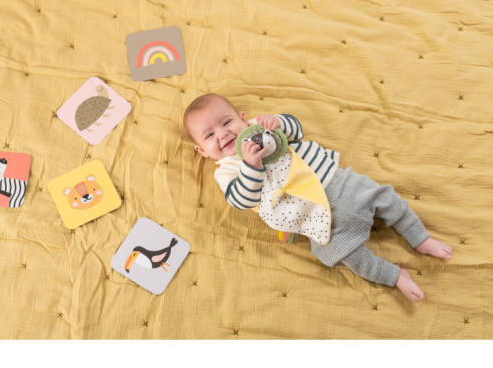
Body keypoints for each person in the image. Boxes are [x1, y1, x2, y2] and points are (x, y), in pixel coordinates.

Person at [183, 93, 453, 303]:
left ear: (242, 118)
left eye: (227, 122)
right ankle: (394, 275)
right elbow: (241, 201)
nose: (223, 134)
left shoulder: (258, 128)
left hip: (336, 183)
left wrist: (279, 122)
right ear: (202, 150)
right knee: (343, 254)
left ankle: (420, 238)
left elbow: (296, 131)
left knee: (387, 199)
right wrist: (252, 168)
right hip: (314, 219)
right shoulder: (227, 171)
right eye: (210, 135)